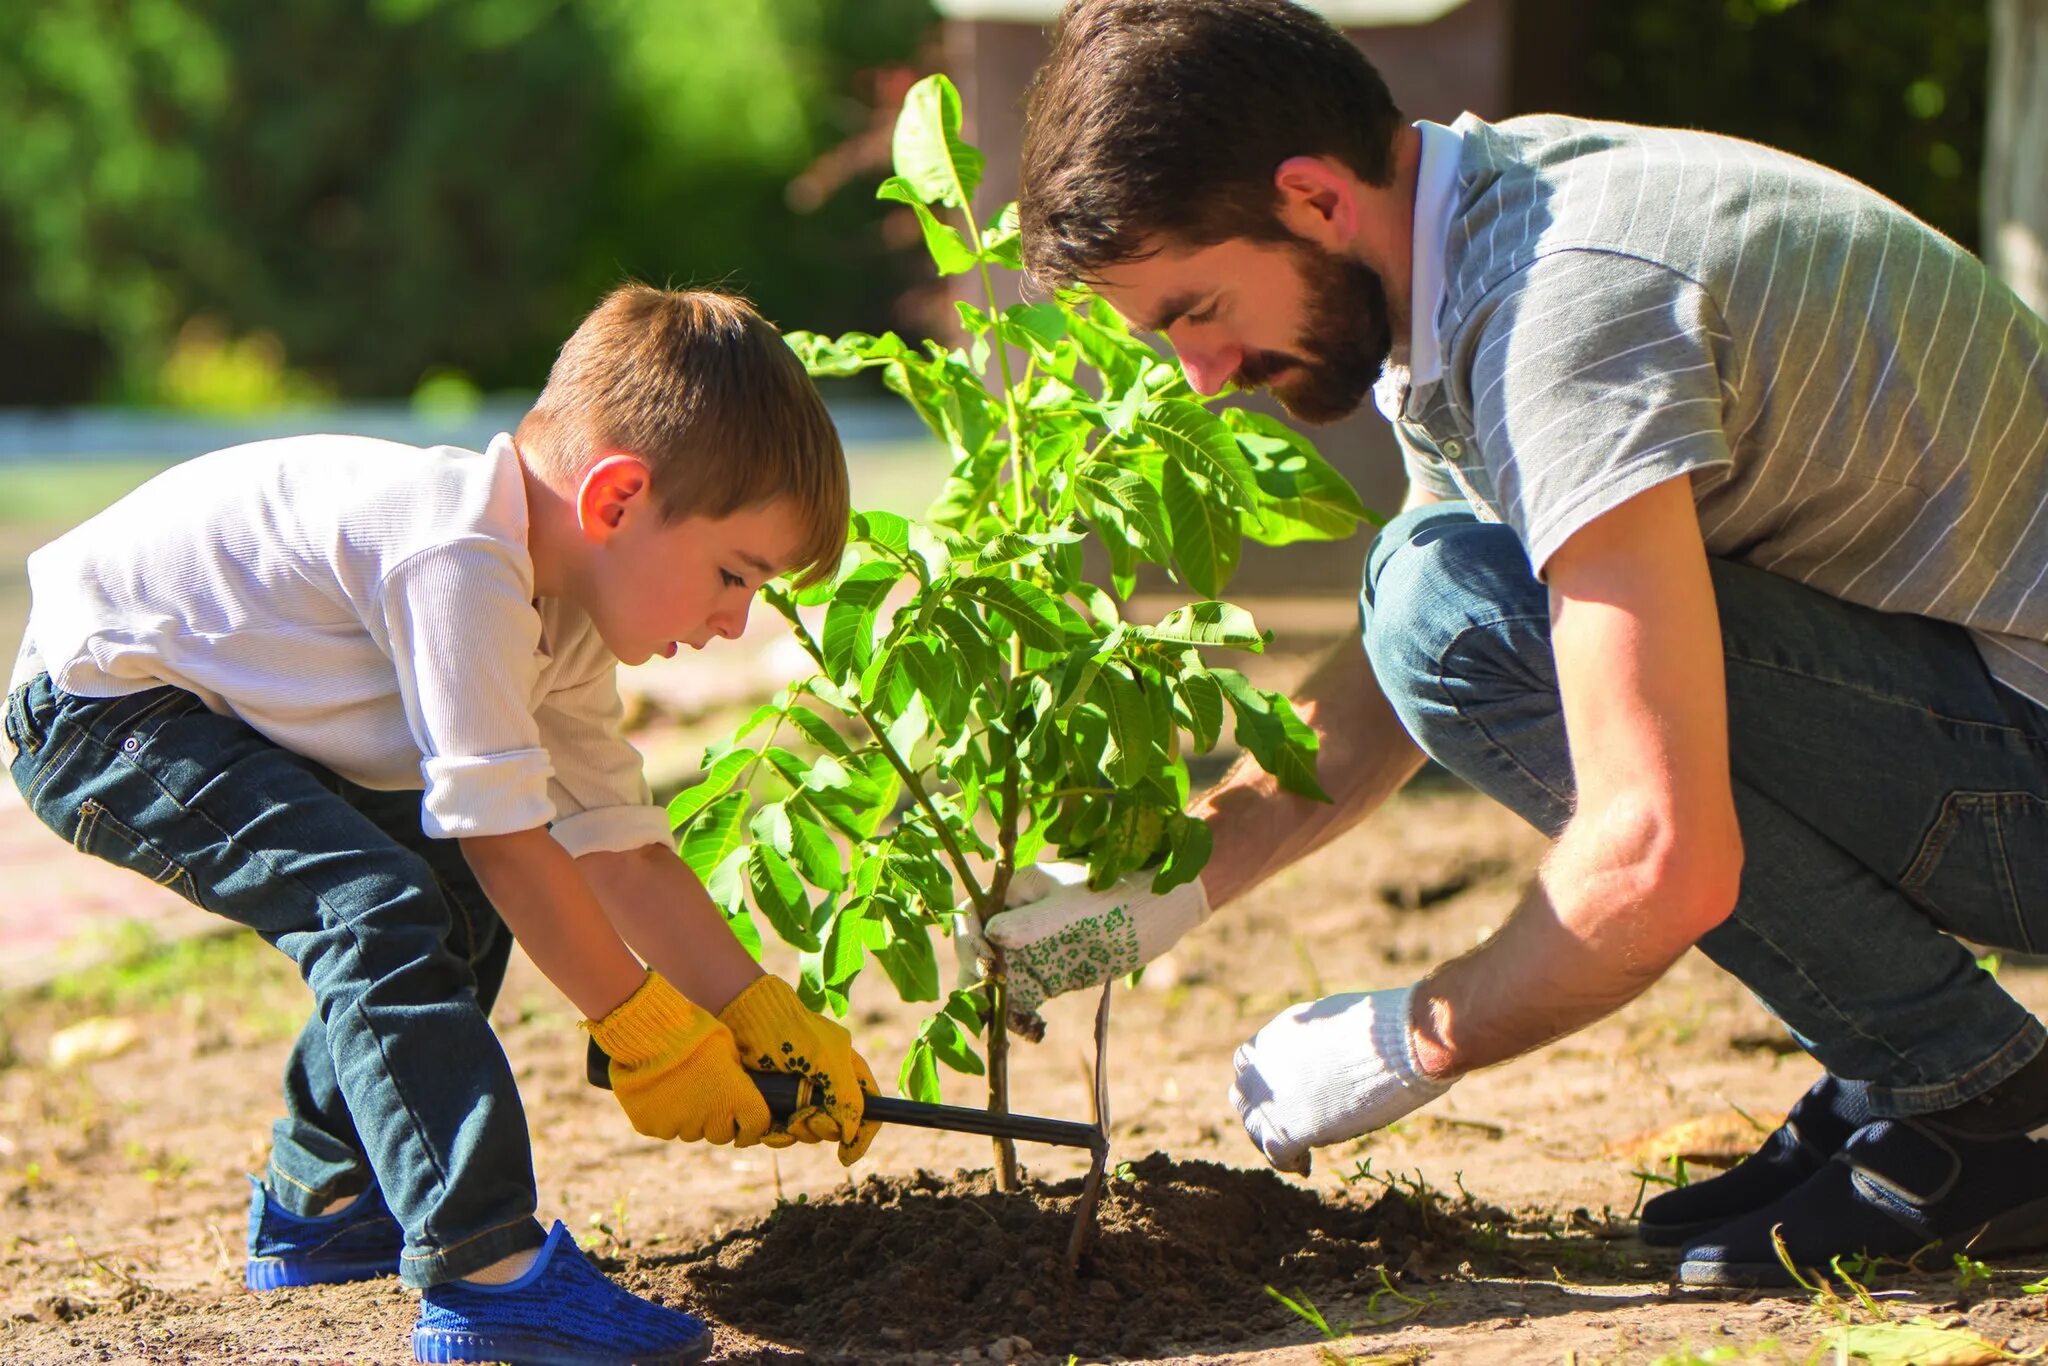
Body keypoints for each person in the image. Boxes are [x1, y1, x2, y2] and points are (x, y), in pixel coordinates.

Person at [978, 0, 2048, 1288]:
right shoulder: (1473, 219)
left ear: (1312, 199)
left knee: (1445, 601)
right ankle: (1914, 1071)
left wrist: (1409, 1037)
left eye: (1194, 308)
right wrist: (1152, 896)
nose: (1201, 373)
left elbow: (1653, 850)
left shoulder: (1562, 313)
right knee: (1427, 591)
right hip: (1986, 720)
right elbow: (1407, 659)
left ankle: (1977, 1102)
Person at [3, 284, 879, 1365]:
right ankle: (488, 1275)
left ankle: (324, 1201)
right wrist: (646, 1033)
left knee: (444, 891)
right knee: (374, 907)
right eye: (731, 574)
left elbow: (617, 844)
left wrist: (751, 1009)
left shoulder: (561, 618)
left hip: (208, 712)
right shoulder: (459, 558)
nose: (732, 619)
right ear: (615, 502)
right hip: (102, 708)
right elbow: (511, 842)